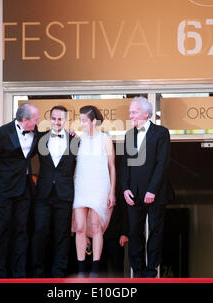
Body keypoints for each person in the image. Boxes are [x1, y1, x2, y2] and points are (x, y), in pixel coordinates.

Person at [0, 102, 40, 278]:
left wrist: (67, 134)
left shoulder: (35, 132)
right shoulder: (3, 133)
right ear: (24, 119)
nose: (38, 121)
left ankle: (19, 272)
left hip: (23, 191)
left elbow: (45, 140)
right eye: (35, 119)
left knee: (21, 232)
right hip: (3, 191)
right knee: (2, 231)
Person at [121, 96, 171, 278]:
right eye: (130, 112)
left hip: (155, 193)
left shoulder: (161, 133)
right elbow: (124, 164)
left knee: (155, 232)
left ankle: (151, 272)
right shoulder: (128, 135)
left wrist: (152, 190)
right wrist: (125, 188)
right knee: (134, 232)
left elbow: (162, 163)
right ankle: (139, 271)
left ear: (146, 113)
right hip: (133, 193)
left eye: (133, 112)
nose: (130, 115)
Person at [31, 106, 79, 278]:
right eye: (54, 118)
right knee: (40, 233)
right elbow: (23, 157)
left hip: (64, 195)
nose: (57, 122)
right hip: (43, 194)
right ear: (49, 119)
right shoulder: (40, 139)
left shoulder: (75, 140)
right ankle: (38, 273)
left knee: (63, 236)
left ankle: (59, 273)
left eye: (60, 119)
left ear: (65, 120)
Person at [73, 105, 116, 278]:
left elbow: (112, 167)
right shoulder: (78, 139)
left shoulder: (105, 139)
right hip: (80, 186)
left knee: (96, 227)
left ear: (94, 121)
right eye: (80, 120)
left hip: (100, 186)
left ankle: (95, 269)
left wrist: (112, 191)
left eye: (84, 120)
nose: (81, 124)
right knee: (80, 228)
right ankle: (81, 268)